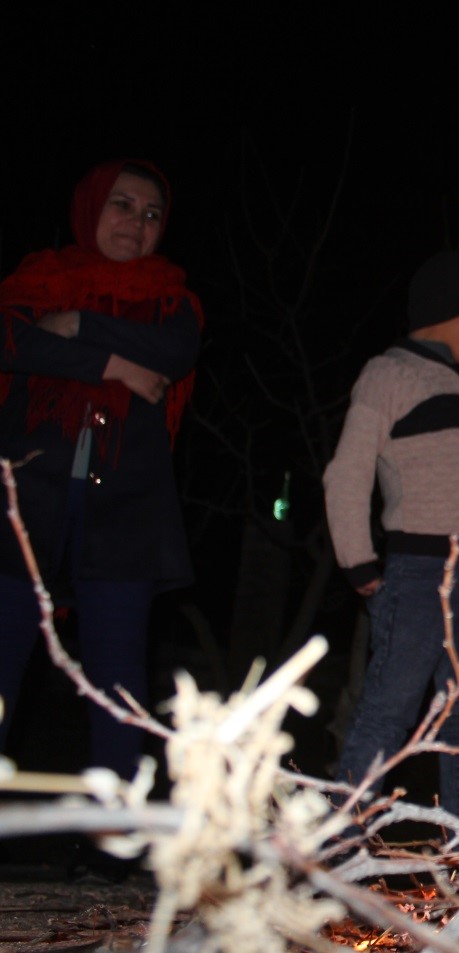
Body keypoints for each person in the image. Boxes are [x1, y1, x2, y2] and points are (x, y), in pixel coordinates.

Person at [0, 158, 202, 779]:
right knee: (3, 661)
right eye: (122, 205)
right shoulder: (37, 279)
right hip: (25, 502)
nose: (136, 223)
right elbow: (17, 342)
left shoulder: (173, 298)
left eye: (150, 215)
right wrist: (114, 367)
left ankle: (111, 841)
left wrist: (82, 328)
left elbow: (175, 350)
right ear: (91, 207)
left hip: (125, 513)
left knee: (117, 681)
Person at [323, 250, 459, 827]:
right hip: (424, 571)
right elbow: (347, 472)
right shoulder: (389, 373)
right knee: (390, 707)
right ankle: (336, 850)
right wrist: (359, 564)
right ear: (452, 309)